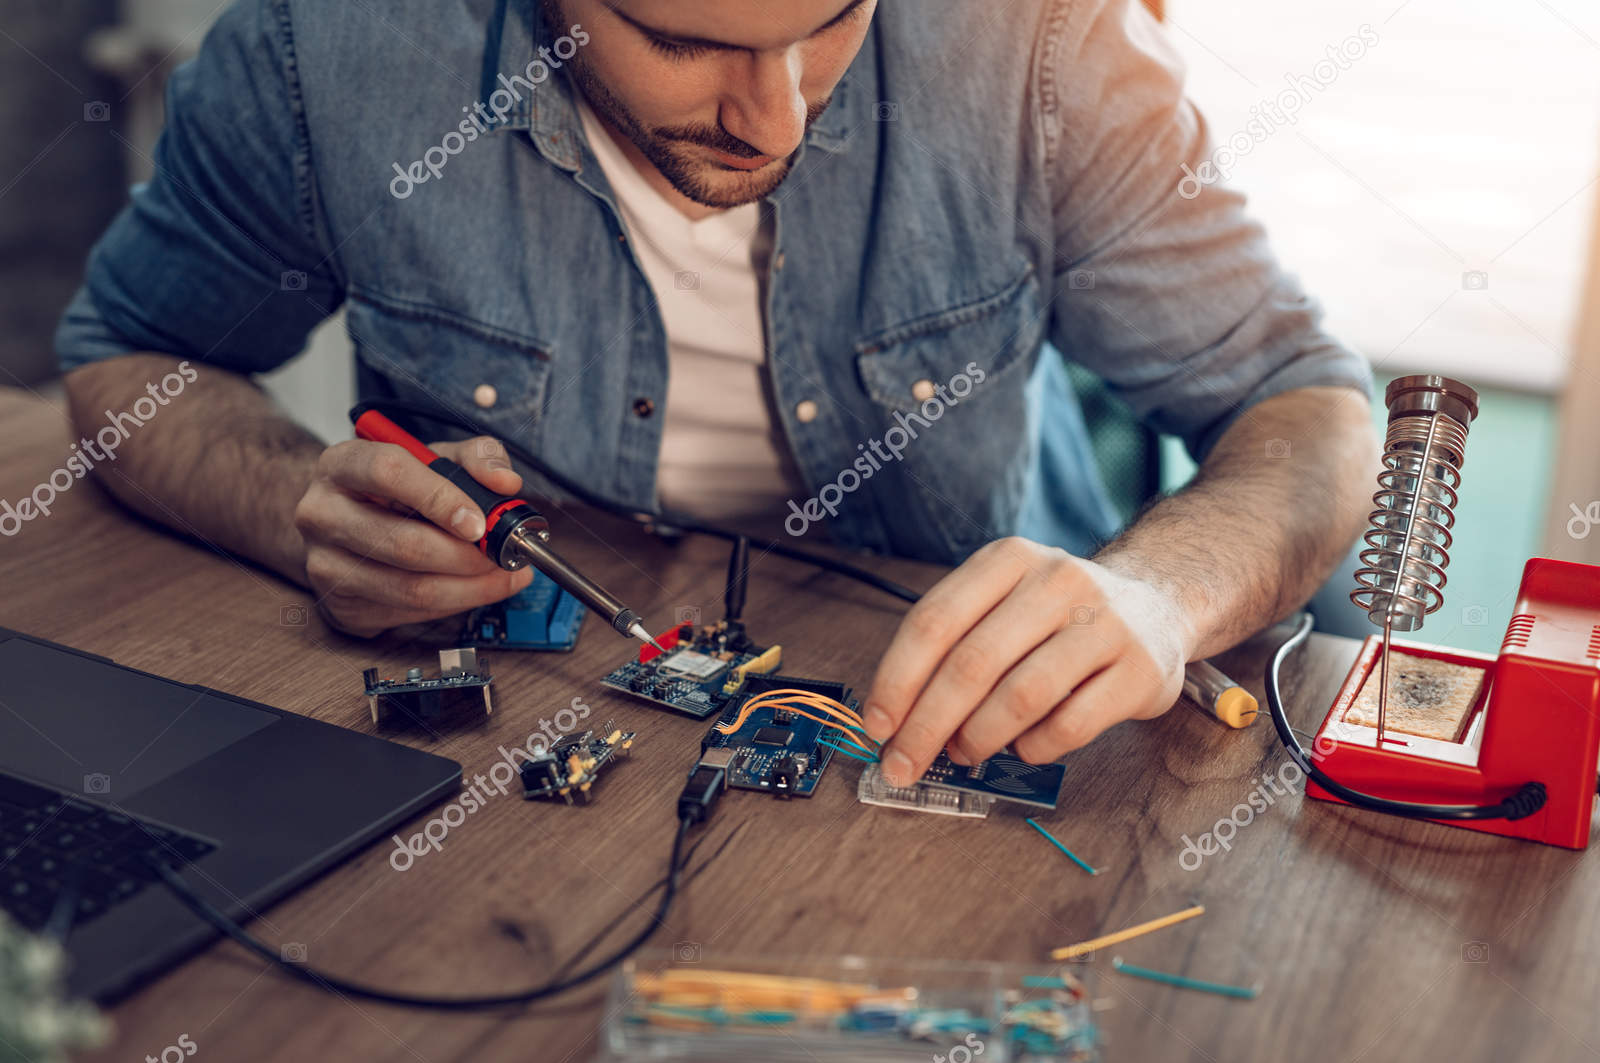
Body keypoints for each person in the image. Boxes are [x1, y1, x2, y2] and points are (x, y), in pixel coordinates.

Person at [55, 0, 1377, 787]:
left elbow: (1306, 402)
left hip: (953, 756)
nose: (777, 120)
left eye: (831, 21)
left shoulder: (1041, 39)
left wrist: (1162, 592)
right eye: (685, 41)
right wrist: (298, 506)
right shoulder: (329, 50)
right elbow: (128, 351)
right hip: (533, 758)